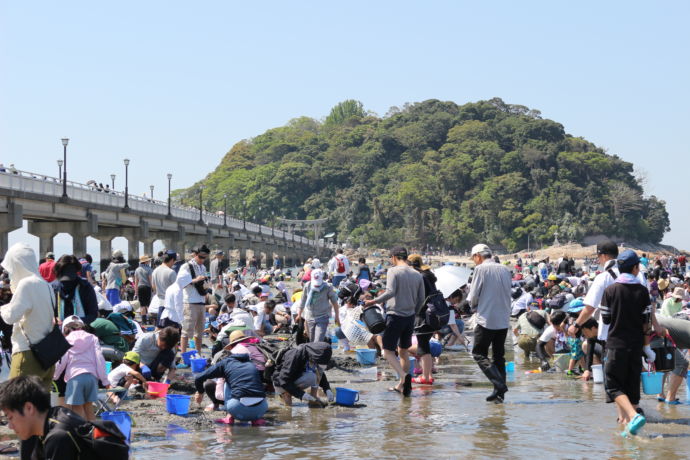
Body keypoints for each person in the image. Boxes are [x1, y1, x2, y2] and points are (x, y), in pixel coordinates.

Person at [601, 249, 662, 436]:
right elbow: (646, 323)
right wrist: (647, 347)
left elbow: (606, 319)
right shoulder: (642, 291)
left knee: (613, 386)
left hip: (616, 345)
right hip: (636, 346)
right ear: (636, 268)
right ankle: (628, 431)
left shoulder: (610, 290)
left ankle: (633, 416)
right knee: (632, 386)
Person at [0, 375, 128, 460]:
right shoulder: (52, 417)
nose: (10, 426)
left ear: (29, 408)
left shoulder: (59, 437)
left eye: (10, 417)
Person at [365, 246, 424, 397]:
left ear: (394, 257)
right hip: (410, 317)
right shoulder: (417, 274)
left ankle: (404, 377)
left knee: (387, 351)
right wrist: (414, 312)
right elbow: (421, 299)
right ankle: (402, 385)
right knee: (403, 351)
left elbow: (390, 291)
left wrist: (374, 301)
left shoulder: (393, 271)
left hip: (395, 315)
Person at [0, 243, 55, 388]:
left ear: (17, 265)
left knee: (15, 406)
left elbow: (11, 317)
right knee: (39, 408)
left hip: (28, 355)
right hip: (48, 356)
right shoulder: (46, 285)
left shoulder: (26, 284)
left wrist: (2, 308)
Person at [467, 243, 512, 403]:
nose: (474, 261)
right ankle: (499, 394)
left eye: (474, 258)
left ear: (478, 256)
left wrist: (472, 307)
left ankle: (499, 384)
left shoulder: (480, 269)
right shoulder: (505, 269)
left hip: (486, 318)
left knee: (479, 353)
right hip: (503, 318)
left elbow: (474, 295)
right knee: (499, 356)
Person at [52, 316, 109, 421]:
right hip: (92, 378)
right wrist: (104, 380)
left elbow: (62, 361)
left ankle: (82, 434)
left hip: (75, 378)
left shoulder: (66, 340)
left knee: (77, 409)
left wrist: (55, 376)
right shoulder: (93, 338)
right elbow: (100, 359)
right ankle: (93, 434)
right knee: (89, 408)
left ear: (65, 329)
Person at [194, 353, 268, 425]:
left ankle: (229, 417)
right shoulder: (250, 364)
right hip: (262, 409)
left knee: (226, 381)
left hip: (236, 409)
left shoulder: (225, 363)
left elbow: (198, 378)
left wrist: (200, 393)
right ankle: (255, 419)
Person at [407, 254, 438, 385]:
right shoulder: (428, 276)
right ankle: (428, 375)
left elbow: (418, 297)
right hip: (432, 315)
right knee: (425, 345)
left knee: (423, 346)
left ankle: (425, 377)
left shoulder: (420, 277)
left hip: (423, 315)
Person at [273, 342, 334, 407]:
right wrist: (301, 394)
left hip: (295, 378)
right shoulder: (295, 355)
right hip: (280, 383)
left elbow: (319, 372)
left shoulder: (312, 354)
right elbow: (283, 380)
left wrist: (327, 389)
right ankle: (286, 394)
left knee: (314, 375)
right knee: (288, 408)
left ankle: (312, 398)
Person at [178, 246, 210, 355]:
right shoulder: (186, 266)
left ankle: (198, 353)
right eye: (201, 257)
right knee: (186, 331)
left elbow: (205, 282)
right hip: (190, 302)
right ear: (195, 254)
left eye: (205, 258)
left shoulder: (203, 267)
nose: (202, 260)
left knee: (199, 332)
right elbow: (180, 282)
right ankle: (183, 355)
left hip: (201, 301)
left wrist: (206, 285)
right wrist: (195, 280)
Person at [295, 269, 340, 342]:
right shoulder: (307, 286)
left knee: (318, 340)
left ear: (322, 278)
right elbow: (303, 301)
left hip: (323, 316)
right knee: (312, 340)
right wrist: (299, 314)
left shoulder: (327, 287)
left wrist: (337, 317)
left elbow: (334, 302)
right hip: (310, 316)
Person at [654, 316, 690, 404]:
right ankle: (671, 398)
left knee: (666, 363)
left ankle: (660, 394)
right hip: (657, 331)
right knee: (682, 364)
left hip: (653, 327)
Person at [53, 255, 98, 324]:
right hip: (59, 328)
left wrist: (75, 323)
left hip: (81, 329)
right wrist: (54, 320)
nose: (67, 284)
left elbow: (93, 314)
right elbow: (47, 314)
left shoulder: (85, 287)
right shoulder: (53, 288)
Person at [151, 250, 178, 326]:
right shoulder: (171, 272)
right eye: (174, 261)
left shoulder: (155, 271)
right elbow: (176, 289)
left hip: (160, 303)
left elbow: (153, 287)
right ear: (172, 260)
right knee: (172, 329)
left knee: (160, 329)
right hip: (171, 305)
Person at [134, 255, 153, 325]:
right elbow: (150, 280)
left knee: (142, 305)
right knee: (148, 304)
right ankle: (150, 320)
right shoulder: (149, 269)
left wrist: (135, 292)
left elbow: (136, 282)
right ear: (146, 262)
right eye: (148, 261)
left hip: (140, 287)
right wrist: (153, 288)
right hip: (147, 287)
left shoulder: (137, 269)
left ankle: (144, 321)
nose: (149, 262)